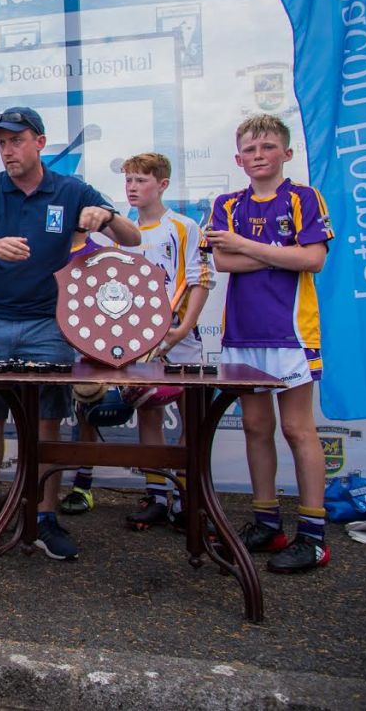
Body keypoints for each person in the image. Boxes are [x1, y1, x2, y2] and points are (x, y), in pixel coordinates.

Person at [0, 107, 140, 561]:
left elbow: (130, 238)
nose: (8, 150)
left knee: (48, 420)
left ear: (40, 142)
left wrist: (106, 216)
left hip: (48, 323)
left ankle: (45, 517)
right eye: (1, 143)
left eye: (16, 140)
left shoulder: (70, 189)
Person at [205, 114, 333, 573]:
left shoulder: (302, 197)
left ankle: (314, 536)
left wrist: (248, 248)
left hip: (290, 332)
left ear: (286, 153)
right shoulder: (227, 203)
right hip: (242, 332)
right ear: (239, 160)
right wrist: (281, 253)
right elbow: (223, 261)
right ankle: (267, 522)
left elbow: (313, 259)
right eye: (250, 150)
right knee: (257, 428)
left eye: (267, 147)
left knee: (297, 429)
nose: (259, 156)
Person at [113, 153, 211, 530]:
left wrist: (183, 328)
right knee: (148, 413)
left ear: (163, 184)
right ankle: (156, 495)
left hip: (180, 339)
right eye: (128, 181)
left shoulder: (184, 226)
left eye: (140, 180)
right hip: (139, 342)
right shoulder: (122, 234)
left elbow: (201, 279)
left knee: (192, 418)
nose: (133, 188)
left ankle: (190, 498)